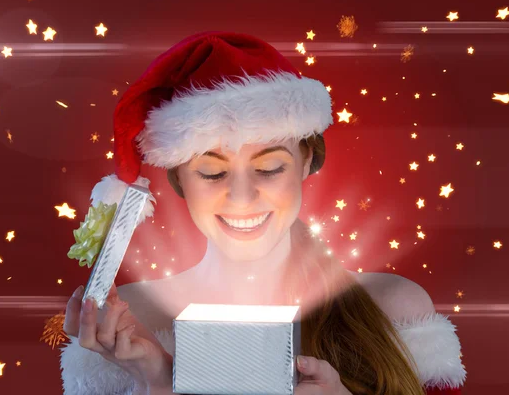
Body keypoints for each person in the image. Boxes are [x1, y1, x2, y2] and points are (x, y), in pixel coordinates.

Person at [60, 31, 466, 395]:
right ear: (181, 179)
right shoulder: (130, 324)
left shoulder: (393, 310)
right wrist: (159, 382)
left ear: (306, 161)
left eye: (269, 168)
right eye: (212, 172)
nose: (241, 197)